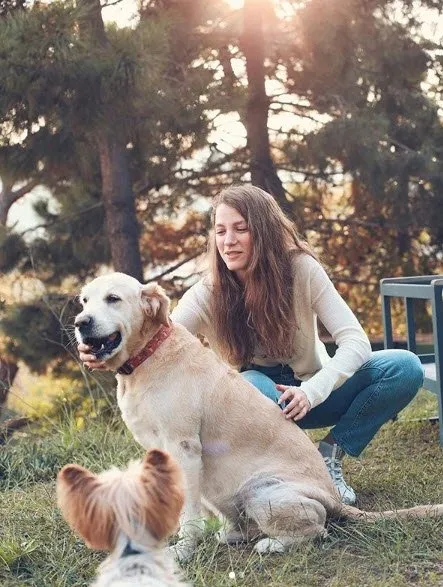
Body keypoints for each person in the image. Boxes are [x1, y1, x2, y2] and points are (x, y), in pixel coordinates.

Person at [78, 185, 424, 505]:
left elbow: (356, 342)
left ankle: (330, 454)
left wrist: (312, 391)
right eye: (221, 230)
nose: (228, 241)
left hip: (312, 394)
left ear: (265, 230)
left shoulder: (302, 269)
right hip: (255, 410)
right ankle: (273, 474)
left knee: (404, 367)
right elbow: (159, 341)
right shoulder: (206, 293)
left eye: (241, 228)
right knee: (252, 383)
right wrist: (108, 349)